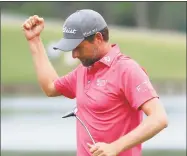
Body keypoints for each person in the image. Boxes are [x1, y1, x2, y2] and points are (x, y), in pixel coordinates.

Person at [22, 9, 168, 156]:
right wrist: (34, 40)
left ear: (98, 38)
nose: (74, 55)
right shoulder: (83, 71)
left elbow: (159, 118)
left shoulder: (127, 69)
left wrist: (116, 147)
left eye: (78, 48)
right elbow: (50, 87)